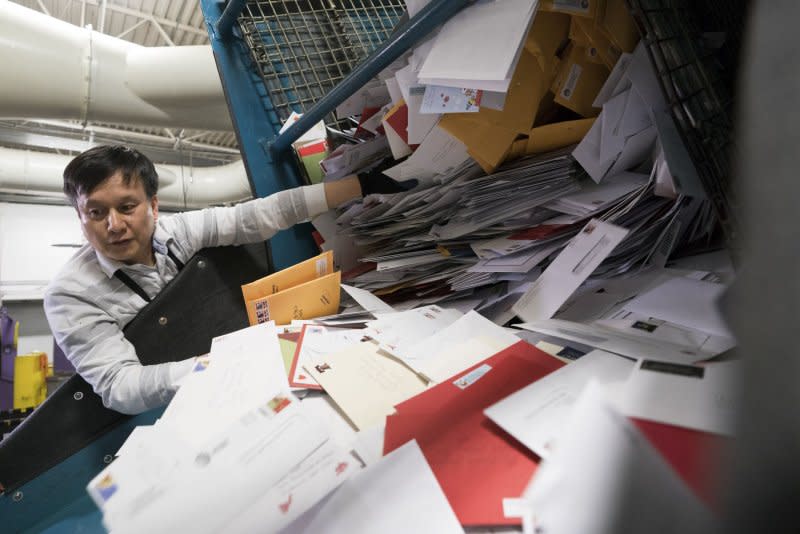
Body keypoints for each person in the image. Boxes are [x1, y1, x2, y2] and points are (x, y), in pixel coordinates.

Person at [44, 145, 410, 415]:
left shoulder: (176, 232)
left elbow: (258, 216)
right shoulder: (70, 295)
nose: (114, 225)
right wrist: (220, 364)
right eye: (96, 212)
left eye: (127, 207)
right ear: (79, 217)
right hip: (175, 412)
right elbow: (120, 386)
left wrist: (359, 185)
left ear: (153, 206)